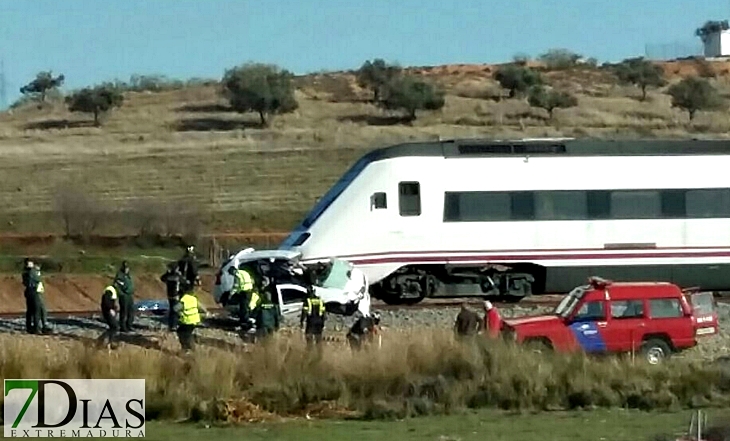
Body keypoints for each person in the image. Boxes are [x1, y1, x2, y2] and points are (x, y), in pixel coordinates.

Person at [173, 281, 208, 353]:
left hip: (187, 321)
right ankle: (190, 348)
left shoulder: (184, 299)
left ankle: (187, 349)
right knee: (188, 334)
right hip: (195, 320)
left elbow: (175, 309)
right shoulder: (194, 298)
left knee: (182, 333)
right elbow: (203, 308)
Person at [227, 264, 259, 328]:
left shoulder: (237, 275)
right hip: (250, 291)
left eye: (231, 274)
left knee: (243, 307)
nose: (232, 275)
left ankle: (244, 321)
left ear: (233, 271)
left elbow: (236, 285)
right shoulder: (244, 272)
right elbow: (251, 280)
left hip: (244, 292)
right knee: (247, 306)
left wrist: (231, 294)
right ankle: (246, 319)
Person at [29, 262, 51, 334]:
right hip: (36, 292)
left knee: (42, 309)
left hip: (39, 292)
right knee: (37, 310)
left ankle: (43, 324)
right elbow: (38, 279)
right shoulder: (32, 272)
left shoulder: (37, 272)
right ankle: (37, 326)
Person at [114, 261, 135, 332]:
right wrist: (121, 294)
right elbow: (116, 286)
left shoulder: (128, 275)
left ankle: (129, 325)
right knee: (124, 311)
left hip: (130, 295)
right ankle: (123, 326)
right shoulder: (120, 275)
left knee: (131, 311)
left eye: (128, 268)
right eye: (125, 268)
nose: (127, 269)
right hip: (124, 295)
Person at [160, 263, 182, 331]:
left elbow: (162, 278)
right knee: (176, 310)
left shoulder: (169, 276)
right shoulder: (177, 276)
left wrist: (167, 273)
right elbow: (184, 282)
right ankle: (174, 325)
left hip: (170, 295)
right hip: (176, 295)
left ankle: (171, 325)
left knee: (172, 310)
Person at [22, 258, 37, 334]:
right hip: (32, 291)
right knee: (34, 309)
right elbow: (36, 279)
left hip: (29, 291)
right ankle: (34, 326)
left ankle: (30, 326)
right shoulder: (30, 272)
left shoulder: (25, 272)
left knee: (30, 310)